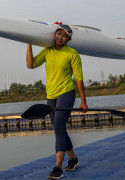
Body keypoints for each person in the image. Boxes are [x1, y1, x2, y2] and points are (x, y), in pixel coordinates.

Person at [26, 24, 88, 179]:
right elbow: (30, 64)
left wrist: (83, 101)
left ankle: (58, 167)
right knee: (58, 128)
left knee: (59, 126)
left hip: (66, 92)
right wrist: (28, 43)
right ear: (55, 34)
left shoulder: (72, 54)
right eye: (59, 34)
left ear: (68, 39)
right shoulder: (47, 51)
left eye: (65, 36)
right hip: (51, 94)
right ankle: (73, 159)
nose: (61, 38)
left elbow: (79, 78)